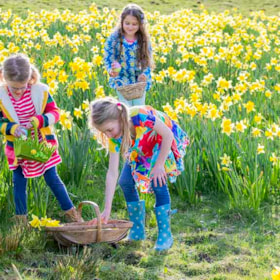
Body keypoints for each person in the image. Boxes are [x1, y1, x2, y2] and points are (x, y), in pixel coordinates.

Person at [89, 97, 189, 251]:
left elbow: (167, 135)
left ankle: (165, 234)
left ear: (120, 118)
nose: (108, 135)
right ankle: (137, 230)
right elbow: (112, 173)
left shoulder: (140, 116)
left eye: (109, 129)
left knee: (158, 180)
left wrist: (159, 165)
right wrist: (106, 209)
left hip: (161, 143)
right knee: (125, 181)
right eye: (104, 132)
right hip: (142, 147)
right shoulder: (115, 137)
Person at [0, 54, 83, 224]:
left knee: (52, 178)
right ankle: (21, 221)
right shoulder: (1, 96)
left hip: (42, 144)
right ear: (4, 77)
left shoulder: (40, 91)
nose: (18, 91)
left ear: (30, 78)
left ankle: (72, 214)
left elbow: (55, 113)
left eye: (22, 87)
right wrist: (12, 128)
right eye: (14, 87)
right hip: (18, 147)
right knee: (19, 181)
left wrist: (39, 120)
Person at [104, 3, 153, 107]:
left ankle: (139, 124)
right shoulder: (114, 38)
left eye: (134, 24)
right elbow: (109, 58)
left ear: (140, 25)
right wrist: (111, 71)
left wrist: (144, 75)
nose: (130, 27)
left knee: (139, 109)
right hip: (122, 80)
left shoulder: (143, 39)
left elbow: (147, 61)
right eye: (127, 23)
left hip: (139, 81)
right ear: (121, 22)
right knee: (126, 110)